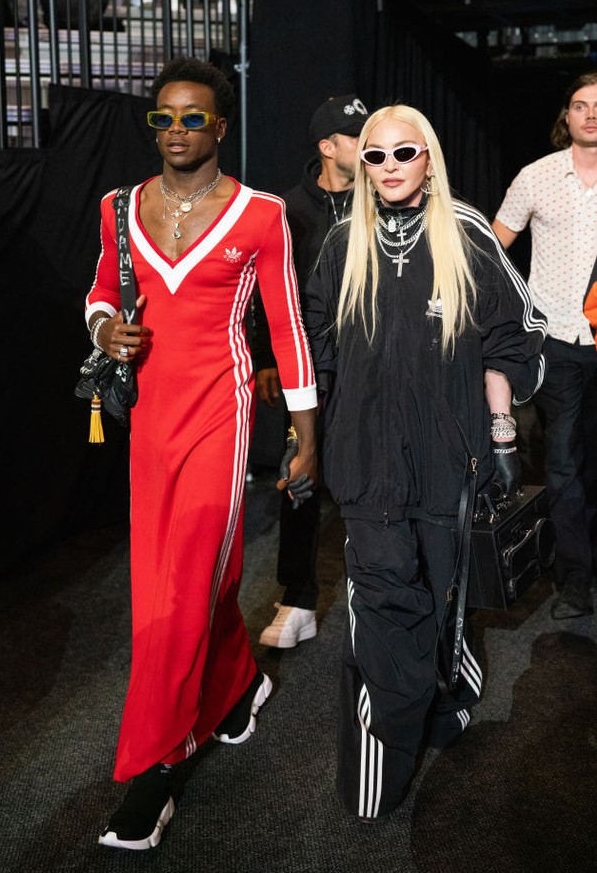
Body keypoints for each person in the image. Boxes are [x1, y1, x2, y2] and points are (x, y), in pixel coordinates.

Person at [85, 56, 317, 851]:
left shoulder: (260, 213)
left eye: (193, 117)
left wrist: (305, 433)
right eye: (163, 117)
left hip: (223, 420)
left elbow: (286, 328)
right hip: (149, 424)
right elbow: (100, 296)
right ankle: (240, 683)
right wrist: (105, 330)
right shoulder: (119, 207)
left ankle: (154, 772)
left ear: (221, 126)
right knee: (168, 583)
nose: (176, 130)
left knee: (180, 589)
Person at [304, 104, 546, 820]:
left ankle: (450, 700)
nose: (387, 168)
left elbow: (515, 333)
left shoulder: (467, 233)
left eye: (402, 153)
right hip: (366, 468)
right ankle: (378, 770)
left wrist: (503, 434)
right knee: (383, 614)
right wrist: (307, 434)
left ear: (429, 158)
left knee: (443, 598)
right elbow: (314, 343)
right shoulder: (343, 241)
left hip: (453, 462)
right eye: (373, 156)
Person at [255, 93, 368, 649]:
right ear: (328, 147)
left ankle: (382, 592)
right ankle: (297, 597)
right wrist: (268, 357)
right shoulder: (288, 210)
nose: (369, 143)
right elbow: (263, 290)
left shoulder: (386, 197)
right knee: (299, 476)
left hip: (375, 366)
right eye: (356, 135)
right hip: (309, 366)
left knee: (380, 476)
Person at [492, 72, 597, 620]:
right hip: (556, 341)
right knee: (561, 464)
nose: (591, 114)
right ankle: (575, 580)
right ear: (566, 116)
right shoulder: (536, 177)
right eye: (581, 105)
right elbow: (494, 248)